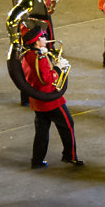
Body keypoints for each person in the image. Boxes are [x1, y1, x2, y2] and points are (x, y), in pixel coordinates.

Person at [21, 23, 82, 168]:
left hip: (38, 100)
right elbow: (46, 78)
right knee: (67, 125)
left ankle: (37, 160)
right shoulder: (39, 57)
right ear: (36, 41)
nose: (45, 38)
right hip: (51, 100)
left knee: (42, 131)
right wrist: (58, 68)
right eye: (42, 36)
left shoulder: (27, 55)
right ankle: (70, 156)